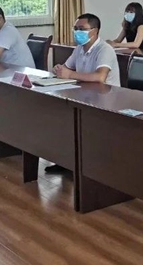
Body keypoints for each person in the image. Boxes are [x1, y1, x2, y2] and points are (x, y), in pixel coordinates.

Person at [47, 13, 121, 173]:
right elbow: (67, 68)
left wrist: (69, 74)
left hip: (105, 100)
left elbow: (100, 77)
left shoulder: (104, 50)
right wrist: (59, 69)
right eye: (75, 28)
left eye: (82, 29)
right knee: (60, 114)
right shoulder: (79, 49)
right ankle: (67, 162)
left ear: (95, 31)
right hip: (85, 95)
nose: (77, 32)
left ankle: (88, 166)